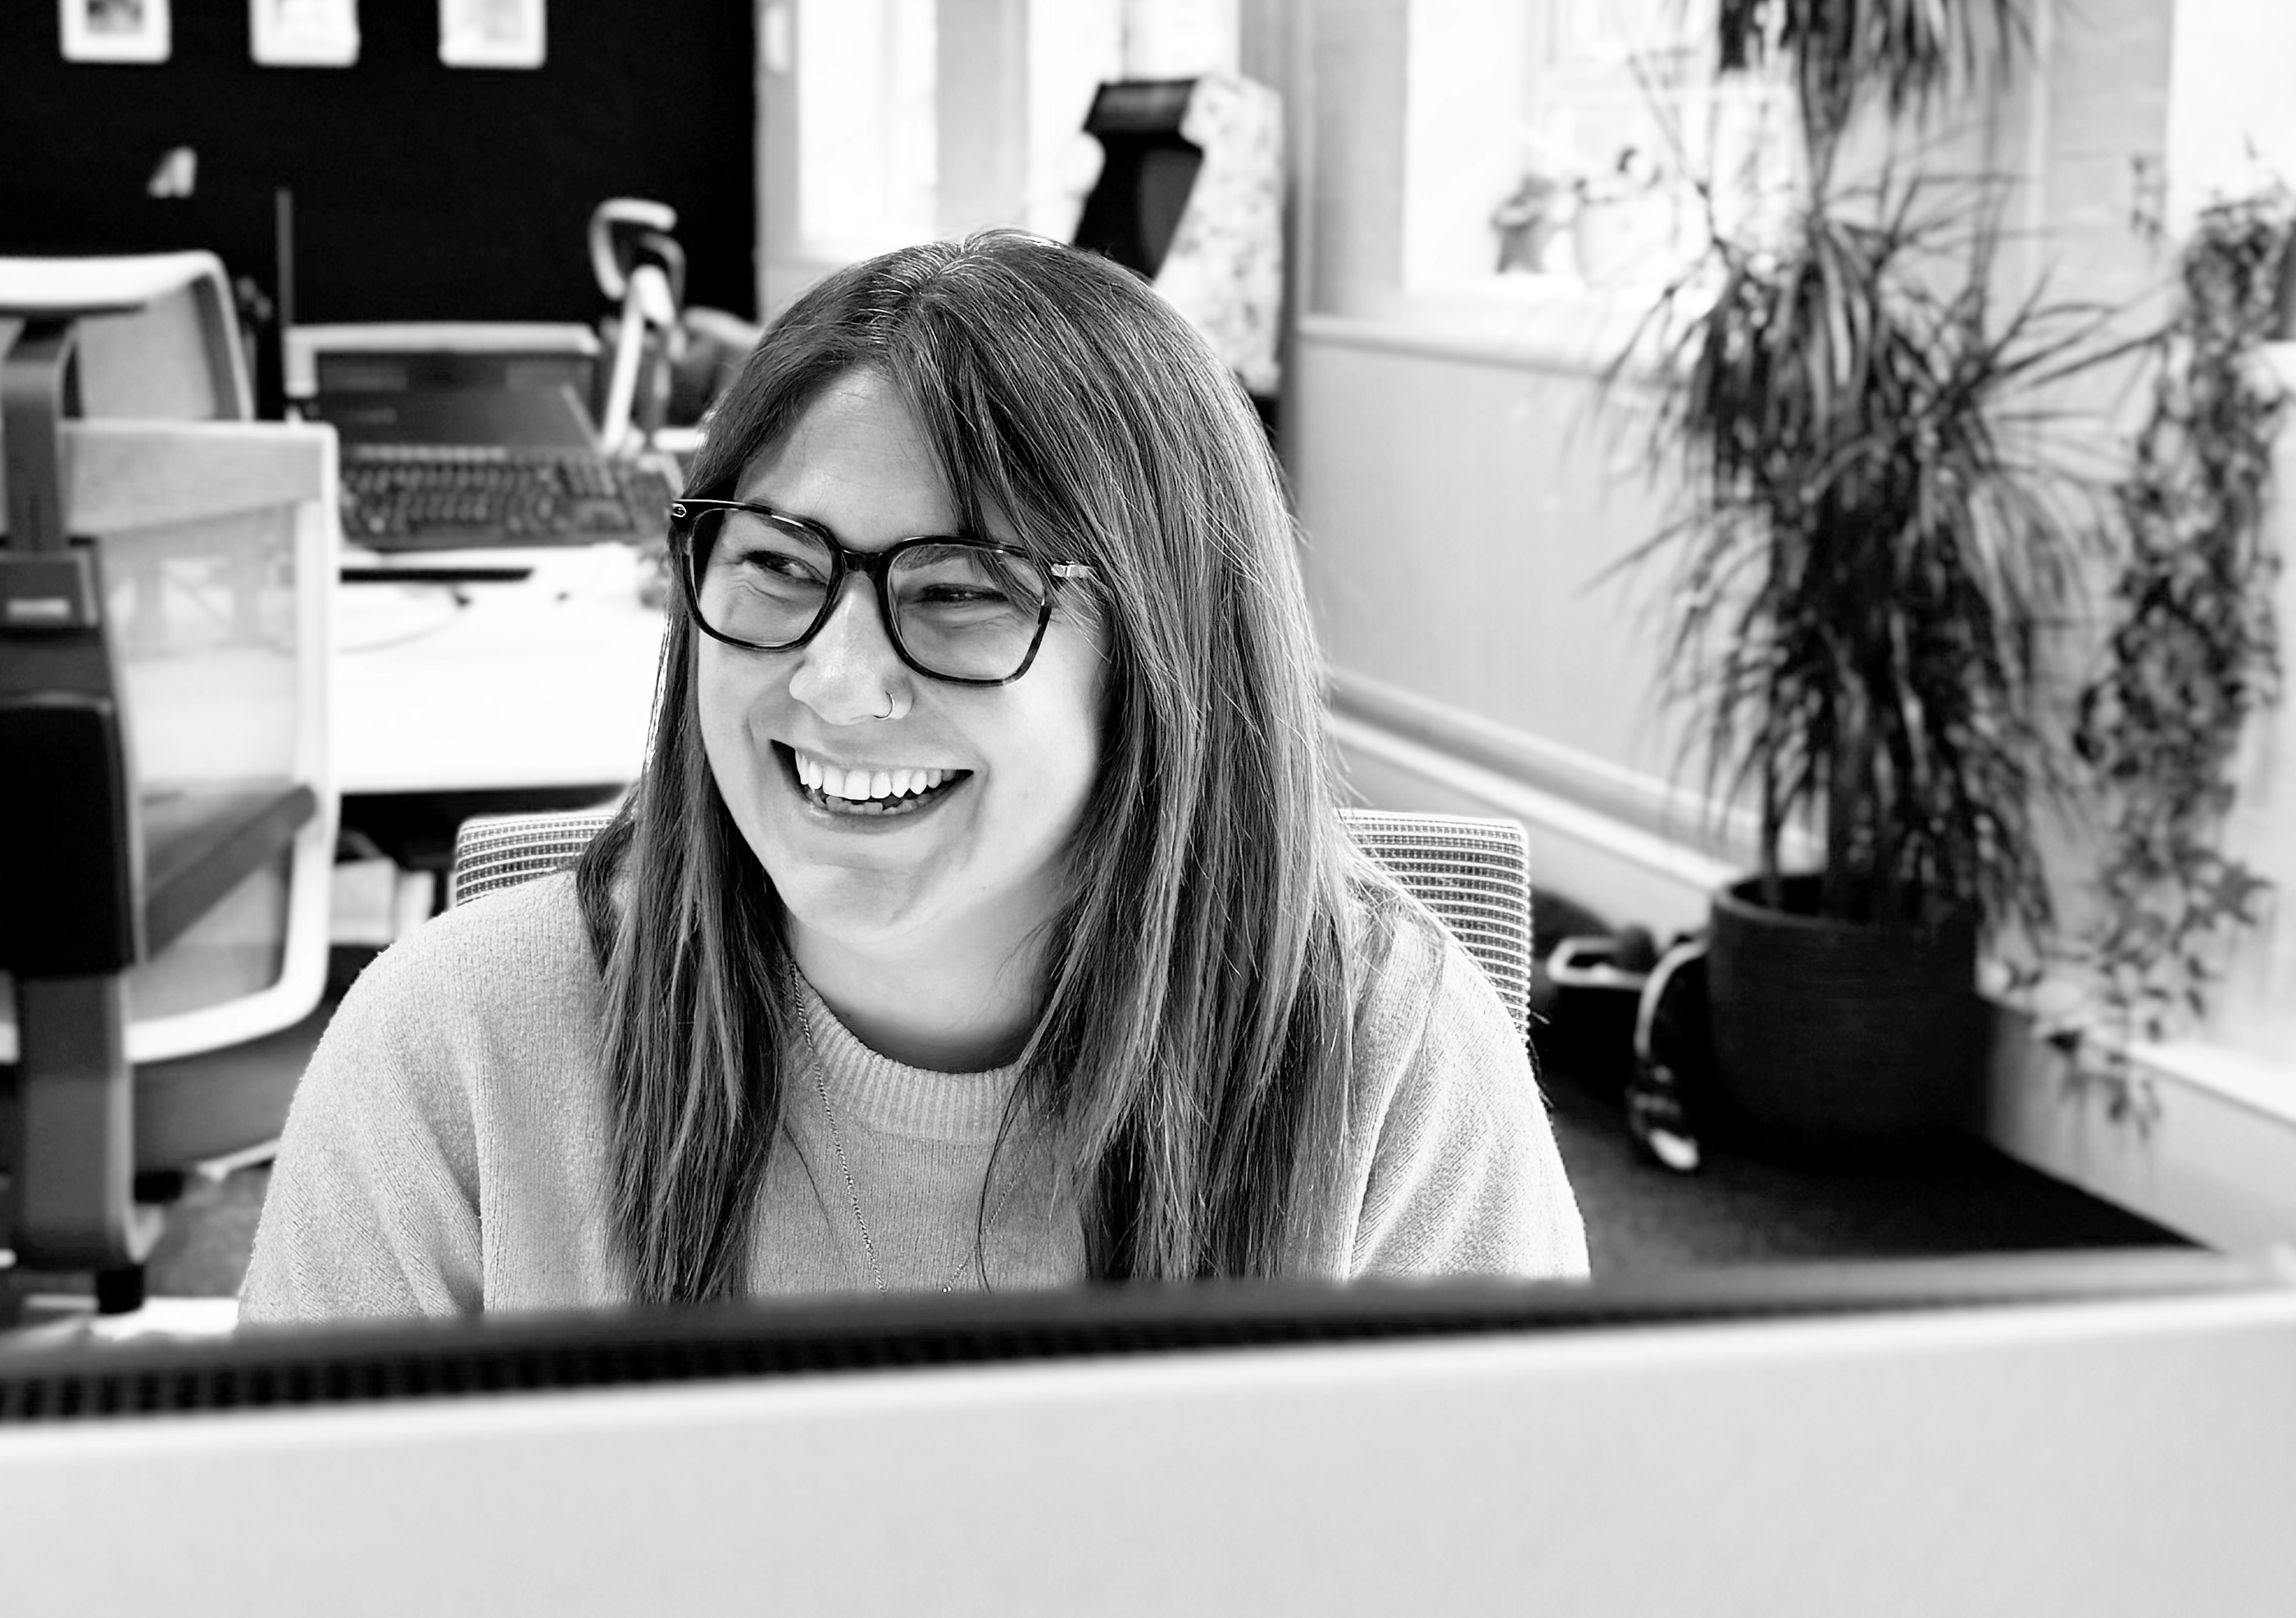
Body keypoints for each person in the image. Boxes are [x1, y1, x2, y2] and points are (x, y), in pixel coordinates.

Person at [241, 233, 1588, 1322]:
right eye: (774, 564)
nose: (835, 681)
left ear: (1171, 655)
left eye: (956, 592)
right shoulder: (456, 1049)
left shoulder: (1381, 1052)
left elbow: (1537, 1584)